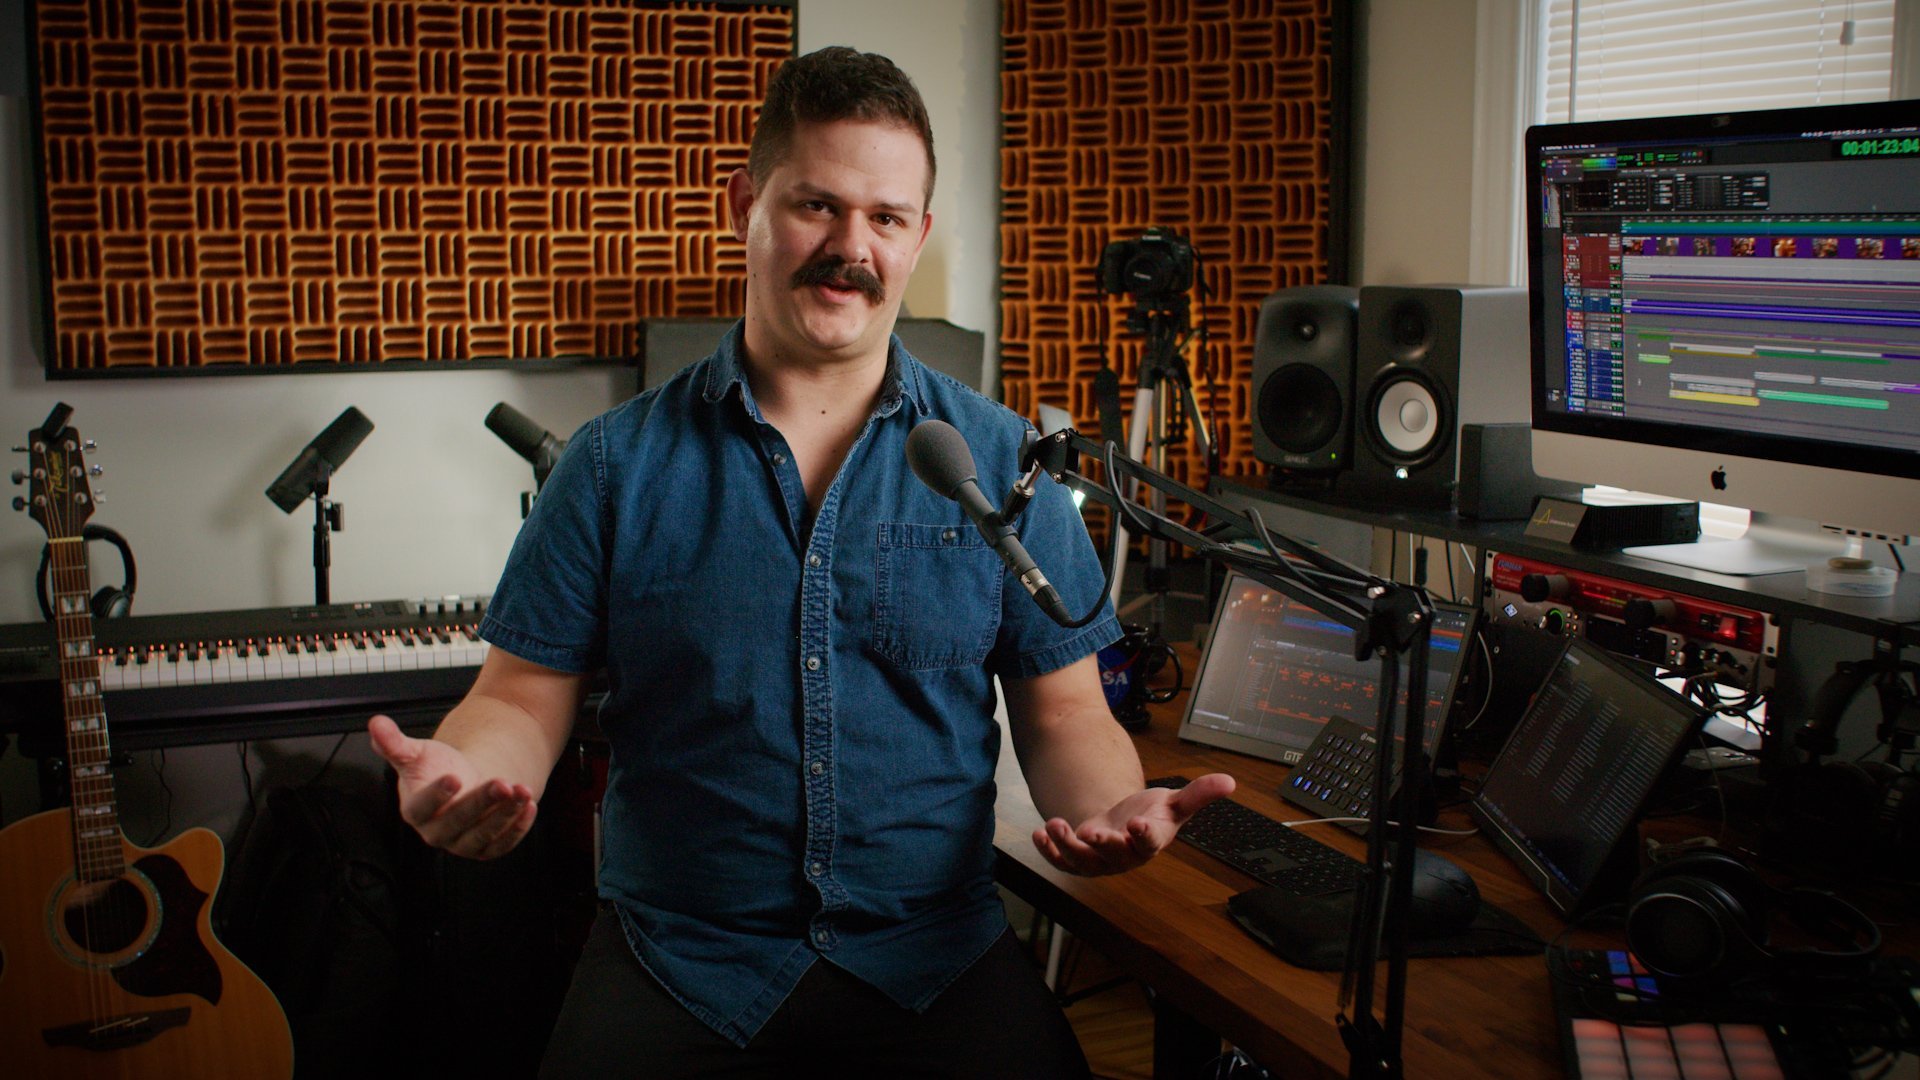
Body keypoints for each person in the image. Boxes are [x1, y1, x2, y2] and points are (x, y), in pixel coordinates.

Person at [368, 45, 1233, 1079]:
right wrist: (473, 773)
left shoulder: (1007, 465)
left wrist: (1104, 810)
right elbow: (519, 698)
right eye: (816, 206)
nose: (850, 246)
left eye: (886, 217)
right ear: (744, 202)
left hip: (934, 956)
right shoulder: (610, 466)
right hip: (682, 957)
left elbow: (1066, 716)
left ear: (917, 234)